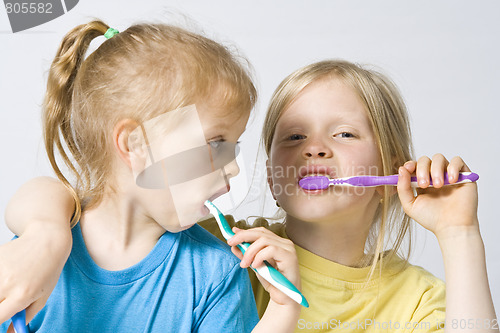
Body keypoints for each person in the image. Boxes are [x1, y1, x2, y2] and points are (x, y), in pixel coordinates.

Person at [2, 59, 498, 332]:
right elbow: (83, 198)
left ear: (394, 168)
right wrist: (45, 234)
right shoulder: (229, 252)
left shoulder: (415, 300)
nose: (315, 151)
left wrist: (459, 235)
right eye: (293, 138)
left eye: (344, 135)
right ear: (270, 167)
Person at [0, 20, 302, 332]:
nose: (234, 167)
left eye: (233, 146)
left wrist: (282, 310)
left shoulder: (217, 273)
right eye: (215, 143)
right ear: (136, 144)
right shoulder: (39, 257)